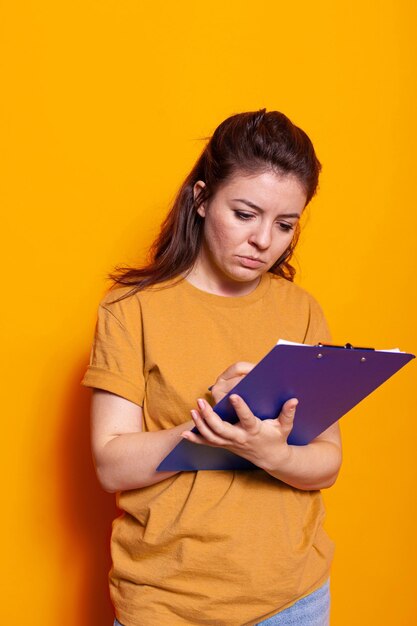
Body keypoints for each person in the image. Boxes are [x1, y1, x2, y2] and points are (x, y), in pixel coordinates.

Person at [82, 109, 342, 626]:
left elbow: (327, 463)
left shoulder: (302, 310)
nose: (264, 240)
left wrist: (271, 453)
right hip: (168, 603)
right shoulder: (131, 309)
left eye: (285, 224)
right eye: (245, 214)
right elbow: (111, 464)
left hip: (295, 598)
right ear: (201, 198)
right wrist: (211, 428)